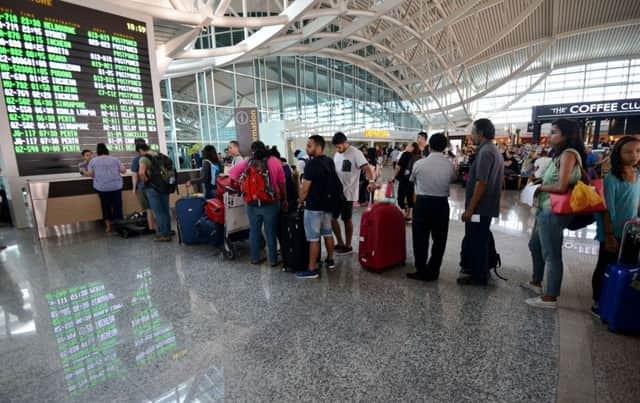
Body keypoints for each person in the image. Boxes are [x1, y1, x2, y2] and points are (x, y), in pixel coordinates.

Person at [522, 118, 586, 308]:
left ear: (566, 135)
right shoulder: (558, 155)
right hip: (545, 208)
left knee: (551, 253)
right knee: (535, 245)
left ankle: (550, 297)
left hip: (554, 210)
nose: (549, 136)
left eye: (553, 132)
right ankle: (536, 281)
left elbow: (561, 186)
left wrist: (540, 187)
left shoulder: (568, 154)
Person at [591, 136, 640, 315]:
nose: (634, 155)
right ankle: (597, 301)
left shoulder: (638, 176)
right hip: (611, 232)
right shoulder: (612, 179)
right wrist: (609, 235)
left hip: (630, 233)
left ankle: (617, 299)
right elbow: (606, 209)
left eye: (638, 151)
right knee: (605, 265)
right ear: (618, 154)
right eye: (628, 151)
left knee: (626, 267)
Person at [457, 119, 504, 286]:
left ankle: (478, 276)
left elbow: (481, 182)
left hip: (480, 207)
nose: (471, 136)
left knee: (476, 239)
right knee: (481, 237)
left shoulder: (485, 152)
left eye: (473, 132)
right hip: (486, 206)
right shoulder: (493, 150)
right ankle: (480, 269)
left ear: (481, 133)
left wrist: (470, 209)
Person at [407, 133, 457, 282]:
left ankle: (420, 270)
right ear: (444, 147)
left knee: (420, 238)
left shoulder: (419, 164)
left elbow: (412, 180)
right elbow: (453, 179)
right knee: (439, 239)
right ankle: (433, 271)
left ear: (429, 145)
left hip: (422, 204)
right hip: (441, 204)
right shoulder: (449, 165)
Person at [229, 141, 287, 266]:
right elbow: (282, 183)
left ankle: (255, 258)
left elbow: (232, 173)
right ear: (266, 148)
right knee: (270, 232)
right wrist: (284, 199)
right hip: (271, 203)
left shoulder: (248, 162)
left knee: (254, 231)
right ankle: (273, 260)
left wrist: (241, 185)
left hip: (251, 203)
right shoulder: (274, 161)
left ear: (253, 151)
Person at [296, 135, 336, 279]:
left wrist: (300, 200)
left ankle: (312, 269)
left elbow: (305, 189)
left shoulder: (311, 165)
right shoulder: (329, 161)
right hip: (327, 205)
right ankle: (330, 260)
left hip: (313, 207)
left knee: (313, 238)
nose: (307, 149)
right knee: (327, 233)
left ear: (318, 146)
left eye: (309, 146)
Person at [331, 132, 376, 255]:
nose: (337, 149)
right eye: (336, 147)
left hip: (348, 193)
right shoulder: (337, 154)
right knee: (332, 218)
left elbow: (367, 168)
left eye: (339, 146)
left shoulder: (356, 153)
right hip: (336, 192)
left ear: (345, 143)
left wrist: (371, 181)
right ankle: (340, 242)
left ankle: (348, 245)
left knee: (347, 219)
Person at [86, 143, 126, 233]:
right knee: (117, 206)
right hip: (116, 187)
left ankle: (108, 227)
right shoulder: (115, 159)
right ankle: (120, 225)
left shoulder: (93, 161)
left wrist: (84, 172)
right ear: (106, 150)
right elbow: (123, 171)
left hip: (102, 188)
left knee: (105, 206)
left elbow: (91, 174)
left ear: (98, 151)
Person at [138, 144, 173, 242]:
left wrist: (145, 181)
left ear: (140, 150)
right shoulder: (160, 156)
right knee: (165, 210)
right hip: (165, 186)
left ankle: (163, 234)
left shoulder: (144, 159)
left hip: (152, 188)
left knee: (158, 212)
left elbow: (141, 172)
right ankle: (168, 231)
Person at [131, 139, 156, 232]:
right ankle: (164, 228)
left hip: (144, 187)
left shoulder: (138, 159)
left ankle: (151, 228)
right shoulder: (156, 155)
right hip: (158, 186)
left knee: (149, 209)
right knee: (159, 207)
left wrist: (134, 189)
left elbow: (136, 175)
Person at [394, 142, 421, 222]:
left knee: (400, 197)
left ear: (412, 147)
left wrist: (394, 176)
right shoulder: (418, 156)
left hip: (404, 179)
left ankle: (403, 214)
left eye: (409, 145)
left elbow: (398, 167)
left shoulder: (405, 154)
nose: (407, 147)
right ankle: (409, 216)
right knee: (410, 197)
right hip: (413, 180)